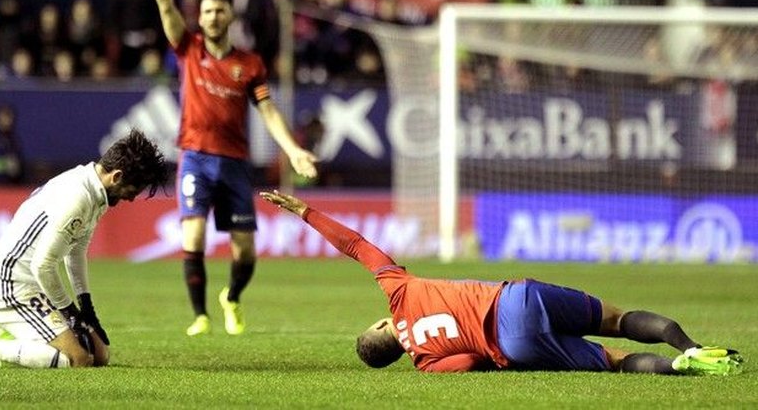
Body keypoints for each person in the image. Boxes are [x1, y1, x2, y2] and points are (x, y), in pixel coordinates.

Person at [259, 190, 745, 376]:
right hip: (514, 297)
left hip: (511, 345)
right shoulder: (399, 291)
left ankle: (684, 371)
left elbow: (469, 362)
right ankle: (693, 346)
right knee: (617, 319)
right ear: (382, 325)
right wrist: (306, 211)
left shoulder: (426, 363)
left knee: (615, 363)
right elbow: (357, 245)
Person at [133, 0, 318, 337]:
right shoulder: (188, 48)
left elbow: (267, 111)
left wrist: (292, 150)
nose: (214, 16)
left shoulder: (249, 65)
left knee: (245, 251)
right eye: (207, 11)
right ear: (199, 18)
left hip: (235, 162)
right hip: (195, 156)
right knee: (193, 234)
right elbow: (165, 7)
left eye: (220, 11)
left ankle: (231, 297)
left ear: (230, 16)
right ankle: (199, 316)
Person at [0, 129, 170, 370]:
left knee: (100, 355)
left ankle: (21, 338)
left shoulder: (96, 190)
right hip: (11, 286)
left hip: (35, 286)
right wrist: (70, 312)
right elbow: (41, 266)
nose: (132, 198)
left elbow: (77, 251)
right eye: (132, 191)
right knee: (78, 360)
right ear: (116, 176)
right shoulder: (79, 197)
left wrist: (87, 309)